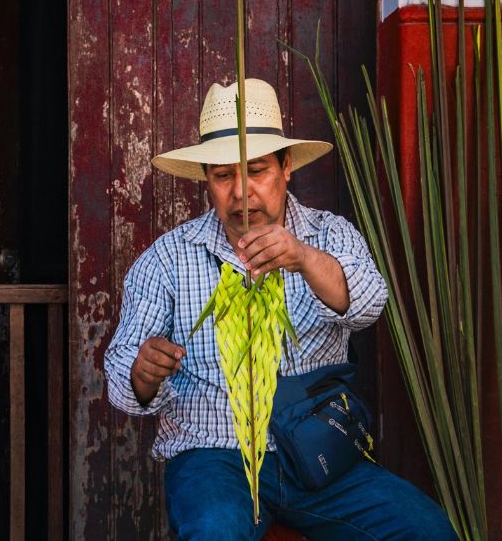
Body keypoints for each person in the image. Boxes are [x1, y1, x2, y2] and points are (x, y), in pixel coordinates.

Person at [103, 78, 456, 540]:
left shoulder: (329, 235)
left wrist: (303, 258)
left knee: (427, 530)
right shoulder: (168, 258)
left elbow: (370, 303)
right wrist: (143, 373)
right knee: (214, 531)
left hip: (320, 451)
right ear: (206, 180)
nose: (241, 192)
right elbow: (121, 376)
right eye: (224, 175)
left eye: (257, 170)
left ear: (286, 167)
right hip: (214, 455)